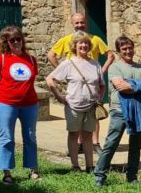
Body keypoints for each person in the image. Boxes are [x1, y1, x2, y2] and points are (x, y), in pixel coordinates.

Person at [47, 12, 113, 154]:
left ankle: (95, 143)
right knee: (75, 115)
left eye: (82, 22)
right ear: (72, 24)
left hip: (92, 83)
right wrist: (62, 71)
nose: (79, 25)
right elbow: (51, 55)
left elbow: (110, 55)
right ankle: (78, 145)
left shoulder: (95, 39)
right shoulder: (66, 40)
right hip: (75, 83)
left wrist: (101, 71)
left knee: (94, 113)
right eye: (76, 23)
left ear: (86, 23)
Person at [93, 36, 141, 187]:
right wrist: (139, 85)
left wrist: (131, 85)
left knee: (135, 146)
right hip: (119, 110)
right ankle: (99, 175)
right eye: (124, 49)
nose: (128, 51)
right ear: (118, 51)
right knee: (111, 143)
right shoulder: (114, 68)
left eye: (130, 48)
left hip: (138, 111)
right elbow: (120, 86)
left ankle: (132, 176)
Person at [46, 31, 106, 173]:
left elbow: (102, 85)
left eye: (86, 43)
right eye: (81, 43)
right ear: (75, 46)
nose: (84, 45)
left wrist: (99, 98)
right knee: (73, 134)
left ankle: (90, 166)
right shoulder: (68, 63)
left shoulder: (95, 64)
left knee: (88, 135)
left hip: (91, 106)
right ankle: (75, 166)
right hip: (73, 106)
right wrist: (59, 97)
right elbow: (50, 79)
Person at [0, 26, 40, 185]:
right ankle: (7, 172)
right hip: (6, 104)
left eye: (19, 39)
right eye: (12, 40)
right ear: (6, 43)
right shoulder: (2, 59)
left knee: (30, 136)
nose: (16, 42)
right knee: (7, 137)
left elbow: (31, 81)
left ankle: (32, 168)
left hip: (30, 104)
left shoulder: (31, 59)